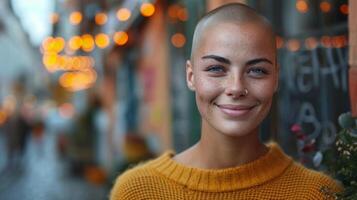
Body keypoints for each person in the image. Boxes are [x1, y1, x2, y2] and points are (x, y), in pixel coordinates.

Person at [110, 3, 342, 199]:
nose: (236, 88)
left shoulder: (318, 193)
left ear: (276, 79)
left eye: (257, 71)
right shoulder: (138, 192)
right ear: (191, 76)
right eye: (216, 68)